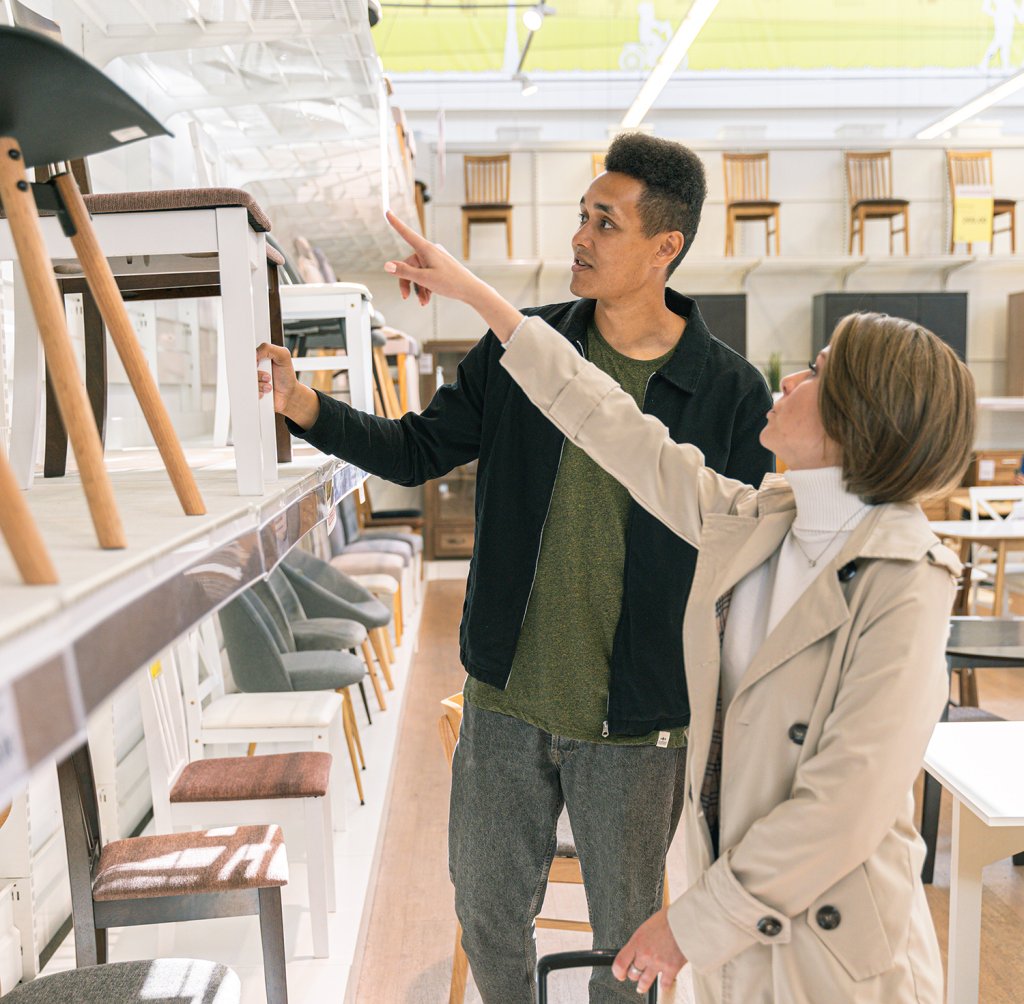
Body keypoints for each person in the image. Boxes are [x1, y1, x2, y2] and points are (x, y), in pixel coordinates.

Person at [370, 210, 976, 1004]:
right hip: (742, 943)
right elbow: (610, 423)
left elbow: (844, 806)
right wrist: (481, 298)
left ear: (861, 413)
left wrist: (688, 923)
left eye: (818, 370)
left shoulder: (907, 578)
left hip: (835, 957)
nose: (791, 378)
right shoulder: (761, 523)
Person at [258, 132, 773, 1003]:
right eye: (581, 216)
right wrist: (301, 403)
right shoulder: (519, 348)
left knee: (629, 948)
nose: (579, 236)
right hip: (506, 699)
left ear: (664, 248)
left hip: (638, 721)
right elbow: (417, 448)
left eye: (604, 224)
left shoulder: (729, 391)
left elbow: (751, 560)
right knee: (490, 920)